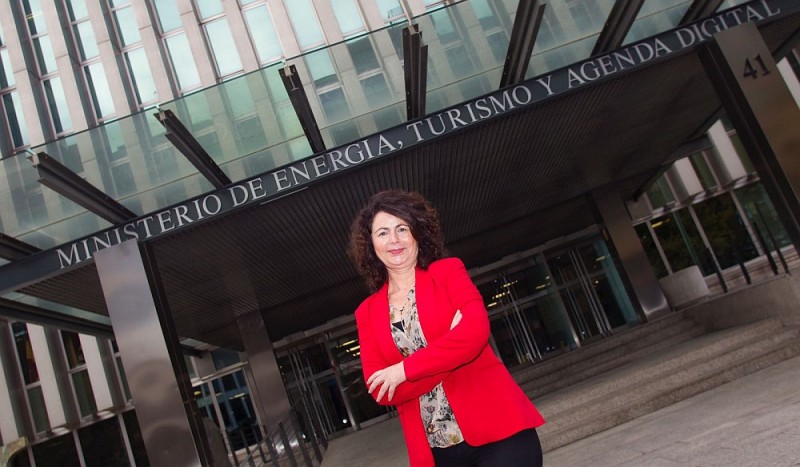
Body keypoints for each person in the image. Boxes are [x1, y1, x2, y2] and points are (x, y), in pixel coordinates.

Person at [348, 190, 545, 467]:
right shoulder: (367, 313)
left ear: (418, 233)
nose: (394, 240)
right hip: (437, 452)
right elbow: (382, 390)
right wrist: (451, 347)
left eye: (402, 228)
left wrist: (402, 370)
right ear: (371, 244)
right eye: (382, 233)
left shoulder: (448, 273)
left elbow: (475, 333)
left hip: (500, 432)